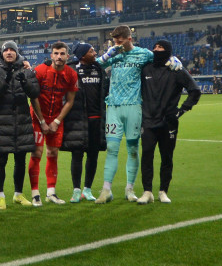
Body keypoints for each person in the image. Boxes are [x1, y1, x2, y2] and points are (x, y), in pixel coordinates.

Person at [95, 26, 182, 204]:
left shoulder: (143, 54)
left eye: (120, 41)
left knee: (133, 149)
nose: (117, 44)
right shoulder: (114, 55)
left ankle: (129, 189)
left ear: (129, 39)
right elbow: (97, 65)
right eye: (114, 41)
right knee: (112, 148)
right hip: (113, 106)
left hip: (134, 106)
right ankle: (106, 190)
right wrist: (108, 53)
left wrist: (174, 58)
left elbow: (160, 58)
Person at [138, 40, 201, 204]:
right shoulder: (145, 69)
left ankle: (163, 191)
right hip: (148, 121)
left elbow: (195, 90)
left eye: (161, 48)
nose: (156, 50)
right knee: (146, 156)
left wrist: (182, 110)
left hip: (168, 122)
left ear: (168, 51)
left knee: (167, 157)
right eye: (155, 47)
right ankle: (147, 192)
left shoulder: (177, 70)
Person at [0, 41, 40, 209]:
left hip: (22, 121)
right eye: (6, 50)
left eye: (12, 50)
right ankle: (0, 196)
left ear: (17, 53)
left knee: (21, 159)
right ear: (2, 54)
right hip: (2, 122)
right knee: (1, 159)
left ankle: (18, 194)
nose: (9, 52)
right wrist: (6, 80)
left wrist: (25, 82)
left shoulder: (26, 70)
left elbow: (35, 93)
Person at [29, 41, 78, 206]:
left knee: (52, 154)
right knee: (36, 153)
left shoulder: (71, 74)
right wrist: (42, 121)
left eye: (62, 53)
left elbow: (70, 101)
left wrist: (57, 121)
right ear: (51, 55)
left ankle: (51, 192)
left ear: (67, 56)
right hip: (37, 118)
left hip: (56, 118)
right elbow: (33, 97)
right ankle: (35, 193)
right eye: (56, 53)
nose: (59, 56)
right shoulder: (40, 71)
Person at [62, 43, 108, 202]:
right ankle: (76, 190)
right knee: (77, 153)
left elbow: (105, 90)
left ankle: (87, 189)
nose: (95, 53)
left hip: (96, 118)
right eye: (91, 51)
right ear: (82, 55)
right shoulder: (71, 70)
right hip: (77, 119)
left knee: (93, 155)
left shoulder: (99, 69)